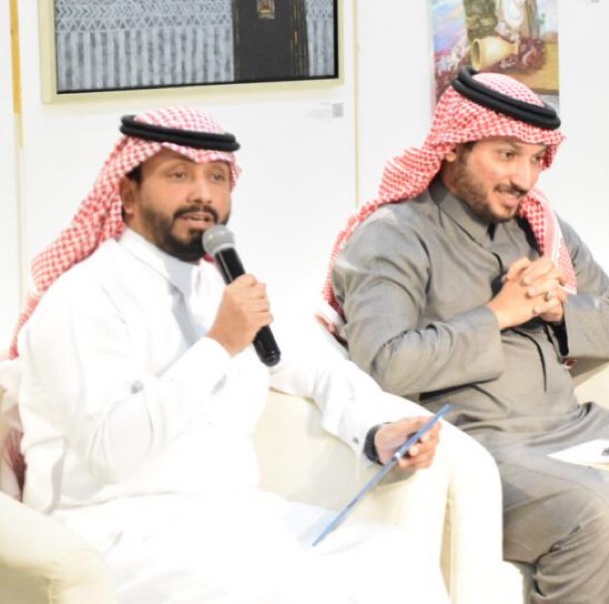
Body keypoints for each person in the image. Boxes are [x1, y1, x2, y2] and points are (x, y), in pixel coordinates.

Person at [325, 67, 609, 604]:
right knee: (596, 514)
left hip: (577, 427)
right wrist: (496, 315)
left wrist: (560, 310)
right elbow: (383, 363)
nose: (524, 179)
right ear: (454, 146)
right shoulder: (392, 236)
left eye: (535, 159)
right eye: (507, 155)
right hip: (485, 445)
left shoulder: (536, 224)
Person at [8, 108, 449, 604]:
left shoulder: (218, 286)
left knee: (398, 560)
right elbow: (110, 452)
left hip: (234, 518)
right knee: (290, 588)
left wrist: (374, 430)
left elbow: (308, 366)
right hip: (119, 534)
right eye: (179, 175)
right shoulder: (83, 299)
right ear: (128, 195)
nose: (202, 194)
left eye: (217, 177)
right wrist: (218, 346)